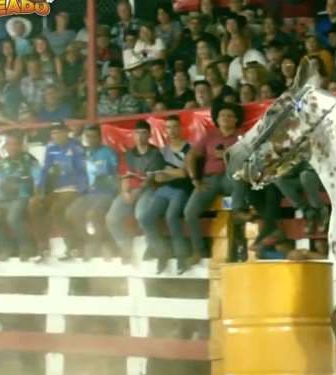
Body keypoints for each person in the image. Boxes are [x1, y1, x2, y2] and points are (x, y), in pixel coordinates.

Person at [183, 102, 248, 264]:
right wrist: (195, 179)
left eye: (230, 116)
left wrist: (227, 155)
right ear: (217, 119)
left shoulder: (243, 136)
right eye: (222, 116)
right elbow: (191, 156)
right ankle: (198, 250)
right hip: (209, 180)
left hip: (230, 178)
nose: (225, 118)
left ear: (236, 120)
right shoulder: (209, 136)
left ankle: (238, 210)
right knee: (189, 212)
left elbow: (250, 159)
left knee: (238, 175)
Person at [137, 116, 193, 274]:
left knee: (171, 217)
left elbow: (185, 173)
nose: (172, 130)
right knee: (146, 218)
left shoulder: (190, 147)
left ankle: (182, 257)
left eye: (175, 127)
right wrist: (170, 173)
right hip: (164, 189)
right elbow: (158, 175)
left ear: (180, 128)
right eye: (168, 128)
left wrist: (170, 173)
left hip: (183, 189)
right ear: (165, 131)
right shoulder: (163, 151)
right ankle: (162, 253)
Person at [106, 119, 166, 264]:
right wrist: (125, 191)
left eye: (143, 133)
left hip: (148, 190)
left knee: (142, 215)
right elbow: (124, 175)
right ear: (133, 135)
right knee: (111, 218)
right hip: (130, 190)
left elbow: (150, 179)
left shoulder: (155, 153)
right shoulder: (129, 154)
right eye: (137, 133)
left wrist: (135, 193)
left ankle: (154, 247)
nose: (139, 136)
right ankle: (125, 248)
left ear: (149, 135)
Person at [29, 122, 88, 261]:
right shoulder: (51, 148)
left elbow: (82, 170)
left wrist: (81, 189)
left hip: (73, 188)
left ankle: (73, 247)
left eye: (59, 132)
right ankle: (43, 248)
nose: (55, 135)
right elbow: (45, 169)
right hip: (56, 189)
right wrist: (39, 186)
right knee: (33, 204)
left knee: (57, 209)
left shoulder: (76, 147)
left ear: (66, 132)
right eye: (53, 133)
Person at [0, 132, 41, 261]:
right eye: (8, 144)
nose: (12, 147)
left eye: (15, 144)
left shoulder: (29, 160)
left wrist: (36, 196)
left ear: (20, 146)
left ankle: (27, 248)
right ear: (5, 147)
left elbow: (38, 179)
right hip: (4, 199)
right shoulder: (3, 163)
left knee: (13, 218)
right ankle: (4, 247)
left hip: (22, 196)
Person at [64, 123, 119, 260]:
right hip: (88, 193)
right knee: (70, 213)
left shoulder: (108, 153)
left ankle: (104, 244)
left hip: (106, 192)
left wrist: (107, 180)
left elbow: (117, 174)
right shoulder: (83, 153)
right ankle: (88, 241)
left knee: (93, 214)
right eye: (88, 136)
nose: (91, 139)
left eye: (94, 136)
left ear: (100, 137)